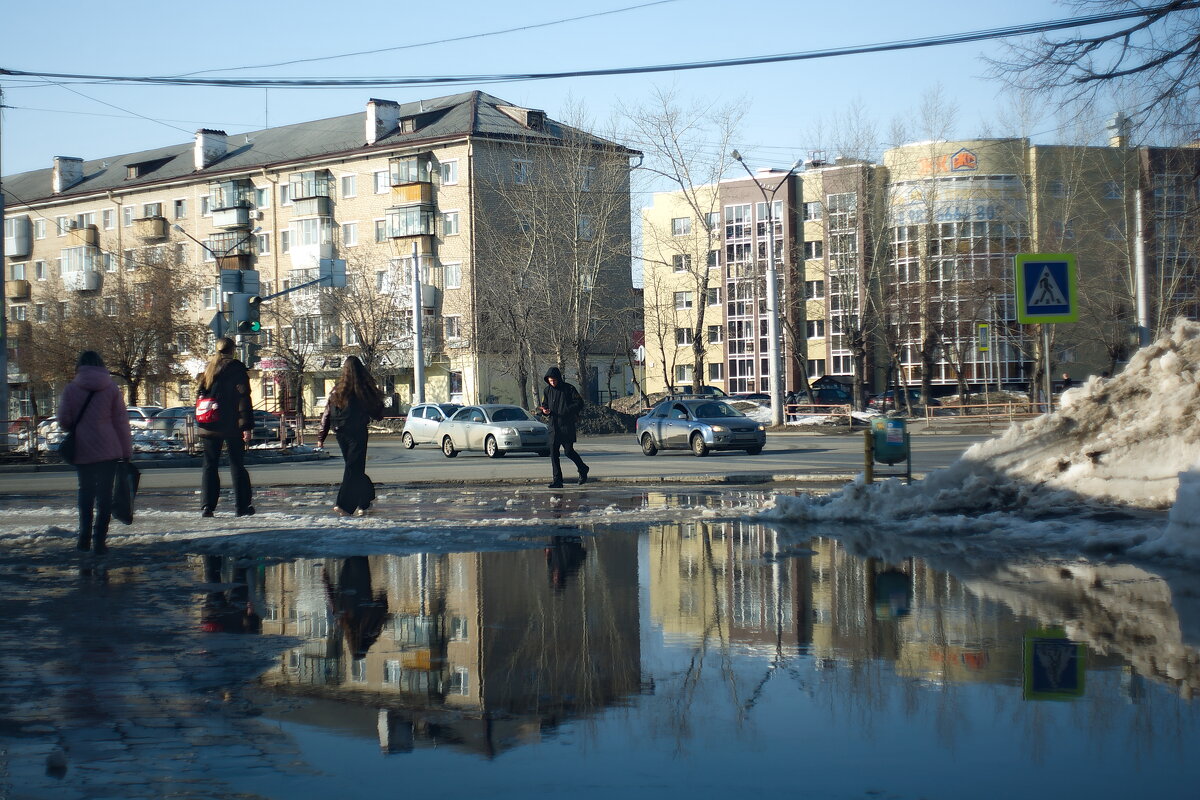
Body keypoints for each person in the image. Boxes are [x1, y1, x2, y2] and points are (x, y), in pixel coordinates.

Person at [57, 351, 134, 555]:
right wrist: (126, 452)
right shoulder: (111, 388)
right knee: (105, 496)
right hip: (109, 448)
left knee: (86, 492)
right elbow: (121, 423)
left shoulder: (72, 389)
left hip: (83, 447)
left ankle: (83, 539)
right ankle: (100, 540)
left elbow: (64, 421)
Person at [316, 356, 384, 515]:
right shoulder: (363, 389)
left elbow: (326, 414)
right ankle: (345, 505)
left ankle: (364, 501)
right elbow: (377, 413)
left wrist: (321, 437)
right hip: (357, 433)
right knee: (354, 468)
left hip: (340, 432)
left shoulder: (337, 390)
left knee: (353, 468)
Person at [196, 337, 255, 517]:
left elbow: (200, 395)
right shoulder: (237, 368)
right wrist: (246, 426)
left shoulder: (208, 368)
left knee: (210, 465)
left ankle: (207, 506)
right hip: (231, 424)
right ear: (232, 349)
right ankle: (241, 506)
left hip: (209, 423)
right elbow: (243, 398)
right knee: (237, 464)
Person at [538, 366, 589, 489]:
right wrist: (545, 411)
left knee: (568, 452)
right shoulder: (547, 391)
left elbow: (579, 403)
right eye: (550, 380)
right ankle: (557, 480)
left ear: (558, 378)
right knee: (553, 454)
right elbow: (544, 405)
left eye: (554, 380)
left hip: (566, 426)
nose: (552, 382)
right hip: (553, 426)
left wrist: (567, 410)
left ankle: (583, 468)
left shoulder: (569, 388)